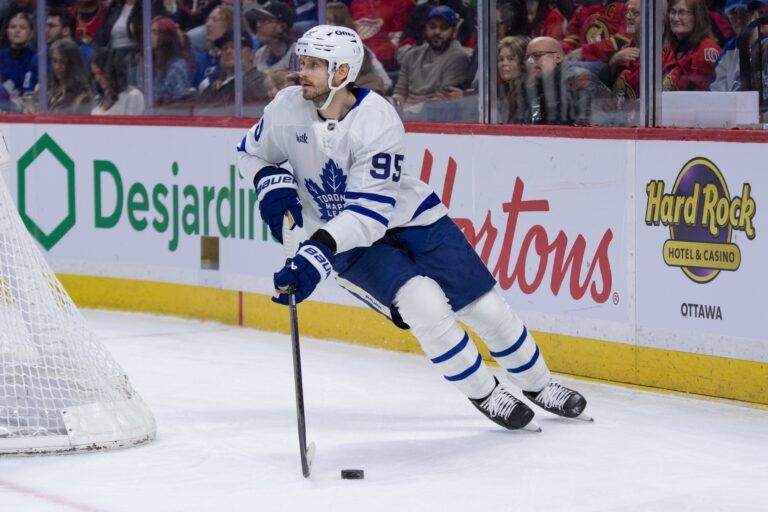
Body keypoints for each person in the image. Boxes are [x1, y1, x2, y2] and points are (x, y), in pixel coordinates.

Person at [236, 25, 590, 432]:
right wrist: (268, 180)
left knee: (486, 309)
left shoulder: (377, 119)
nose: (302, 73)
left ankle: (540, 384)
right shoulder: (285, 107)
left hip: (410, 219)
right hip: (345, 239)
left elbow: (368, 214)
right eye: (303, 63)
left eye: (315, 65)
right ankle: (485, 392)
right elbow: (249, 153)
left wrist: (314, 254)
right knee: (423, 304)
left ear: (342, 72)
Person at [515, 36, 612, 125]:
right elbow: (531, 122)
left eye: (536, 55)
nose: (530, 61)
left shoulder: (579, 79)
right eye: (527, 57)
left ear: (557, 57)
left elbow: (589, 124)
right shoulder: (532, 86)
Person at [390, 6, 469, 112]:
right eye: (432, 26)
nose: (437, 32)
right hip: (406, 112)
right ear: (425, 28)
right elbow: (400, 92)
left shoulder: (458, 57)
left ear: (454, 31)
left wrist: (409, 111)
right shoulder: (412, 55)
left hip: (435, 115)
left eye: (444, 27)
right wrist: (394, 106)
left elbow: (444, 98)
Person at [326, 0, 389, 94]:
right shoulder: (320, 48)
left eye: (329, 21)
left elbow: (386, 81)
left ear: (339, 24)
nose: (324, 25)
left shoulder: (360, 48)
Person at [663, 0, 722, 90]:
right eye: (672, 12)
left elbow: (702, 99)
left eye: (682, 13)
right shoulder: (671, 50)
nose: (675, 18)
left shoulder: (706, 50)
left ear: (697, 16)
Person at [198, 30, 268, 104]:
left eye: (235, 47)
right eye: (224, 48)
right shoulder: (213, 87)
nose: (228, 51)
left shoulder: (260, 82)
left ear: (251, 54)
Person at [151, 16, 192, 105]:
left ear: (166, 36)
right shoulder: (151, 64)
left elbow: (181, 101)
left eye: (155, 33)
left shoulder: (177, 67)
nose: (150, 36)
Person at [90, 47, 145, 114]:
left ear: (113, 72)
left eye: (101, 73)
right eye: (94, 74)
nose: (97, 78)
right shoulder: (99, 97)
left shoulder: (133, 95)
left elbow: (129, 123)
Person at [47, 38, 94, 113]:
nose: (57, 66)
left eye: (62, 62)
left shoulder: (82, 97)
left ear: (72, 63)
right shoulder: (46, 90)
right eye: (54, 61)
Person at [0, 11, 37, 101]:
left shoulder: (37, 57)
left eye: (23, 28)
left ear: (31, 33)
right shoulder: (1, 55)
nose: (17, 31)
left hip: (27, 107)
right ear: (7, 32)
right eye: (13, 27)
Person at [252, 0, 297, 73]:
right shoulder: (259, 55)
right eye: (259, 20)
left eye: (265, 21)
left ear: (281, 26)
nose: (258, 25)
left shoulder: (296, 53)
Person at [497, 35, 529, 123]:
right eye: (501, 59)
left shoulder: (529, 93)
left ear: (523, 62)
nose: (504, 63)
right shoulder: (503, 90)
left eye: (511, 59)